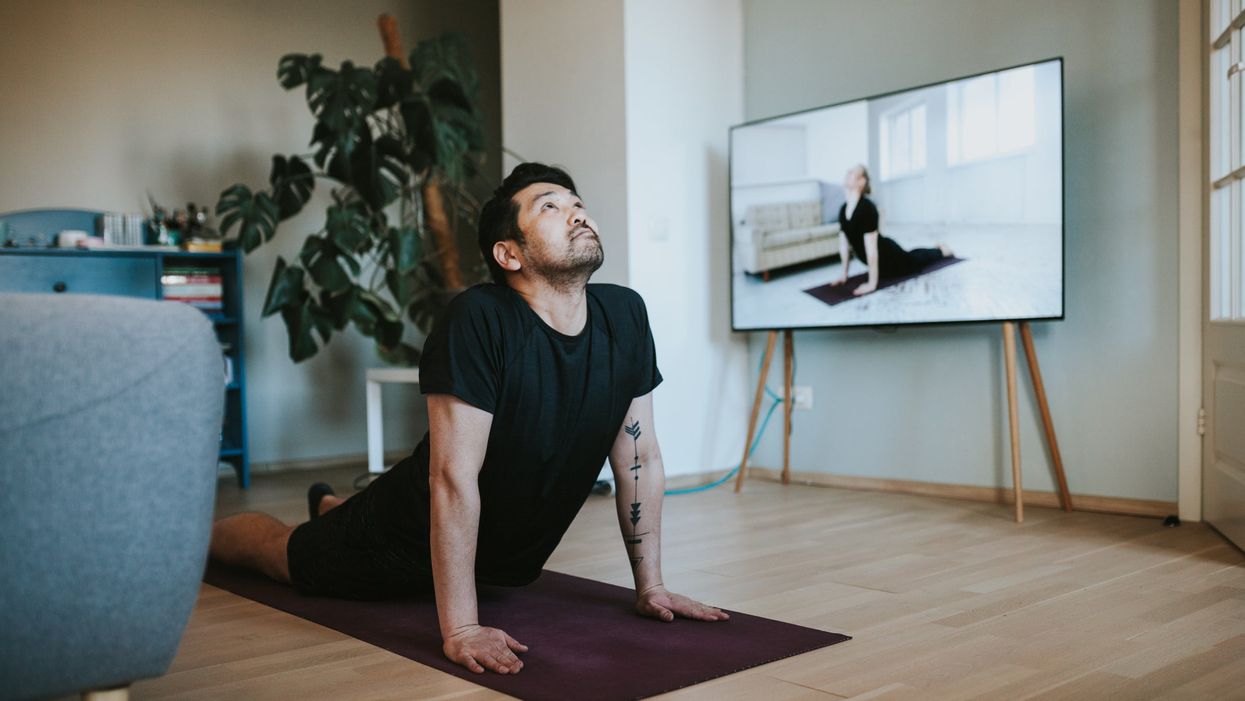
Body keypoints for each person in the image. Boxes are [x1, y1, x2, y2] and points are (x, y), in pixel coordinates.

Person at [208, 162, 728, 677]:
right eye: (551, 207)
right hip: (405, 537)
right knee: (283, 555)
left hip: (496, 557)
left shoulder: (625, 314)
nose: (576, 215)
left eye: (577, 205)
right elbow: (451, 478)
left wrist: (652, 588)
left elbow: (639, 456)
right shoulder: (479, 319)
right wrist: (460, 629)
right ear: (509, 254)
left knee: (351, 517)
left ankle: (334, 505)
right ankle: (198, 538)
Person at [830, 164, 953, 296]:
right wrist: (844, 275)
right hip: (880, 262)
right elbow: (844, 246)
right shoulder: (843, 209)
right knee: (911, 255)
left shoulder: (867, 208)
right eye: (848, 171)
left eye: (852, 172)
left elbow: (871, 250)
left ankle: (941, 250)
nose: (848, 173)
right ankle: (936, 248)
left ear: (862, 181)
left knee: (913, 260)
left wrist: (872, 284)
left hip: (890, 258)